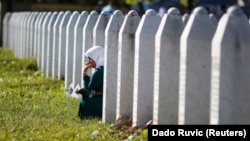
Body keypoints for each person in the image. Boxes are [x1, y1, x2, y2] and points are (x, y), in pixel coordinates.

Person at [76, 46, 104, 119]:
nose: (88, 62)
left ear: (96, 57)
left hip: (102, 101)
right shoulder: (105, 67)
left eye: (90, 59)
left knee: (85, 98)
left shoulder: (99, 72)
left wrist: (85, 73)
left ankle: (87, 117)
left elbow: (88, 89)